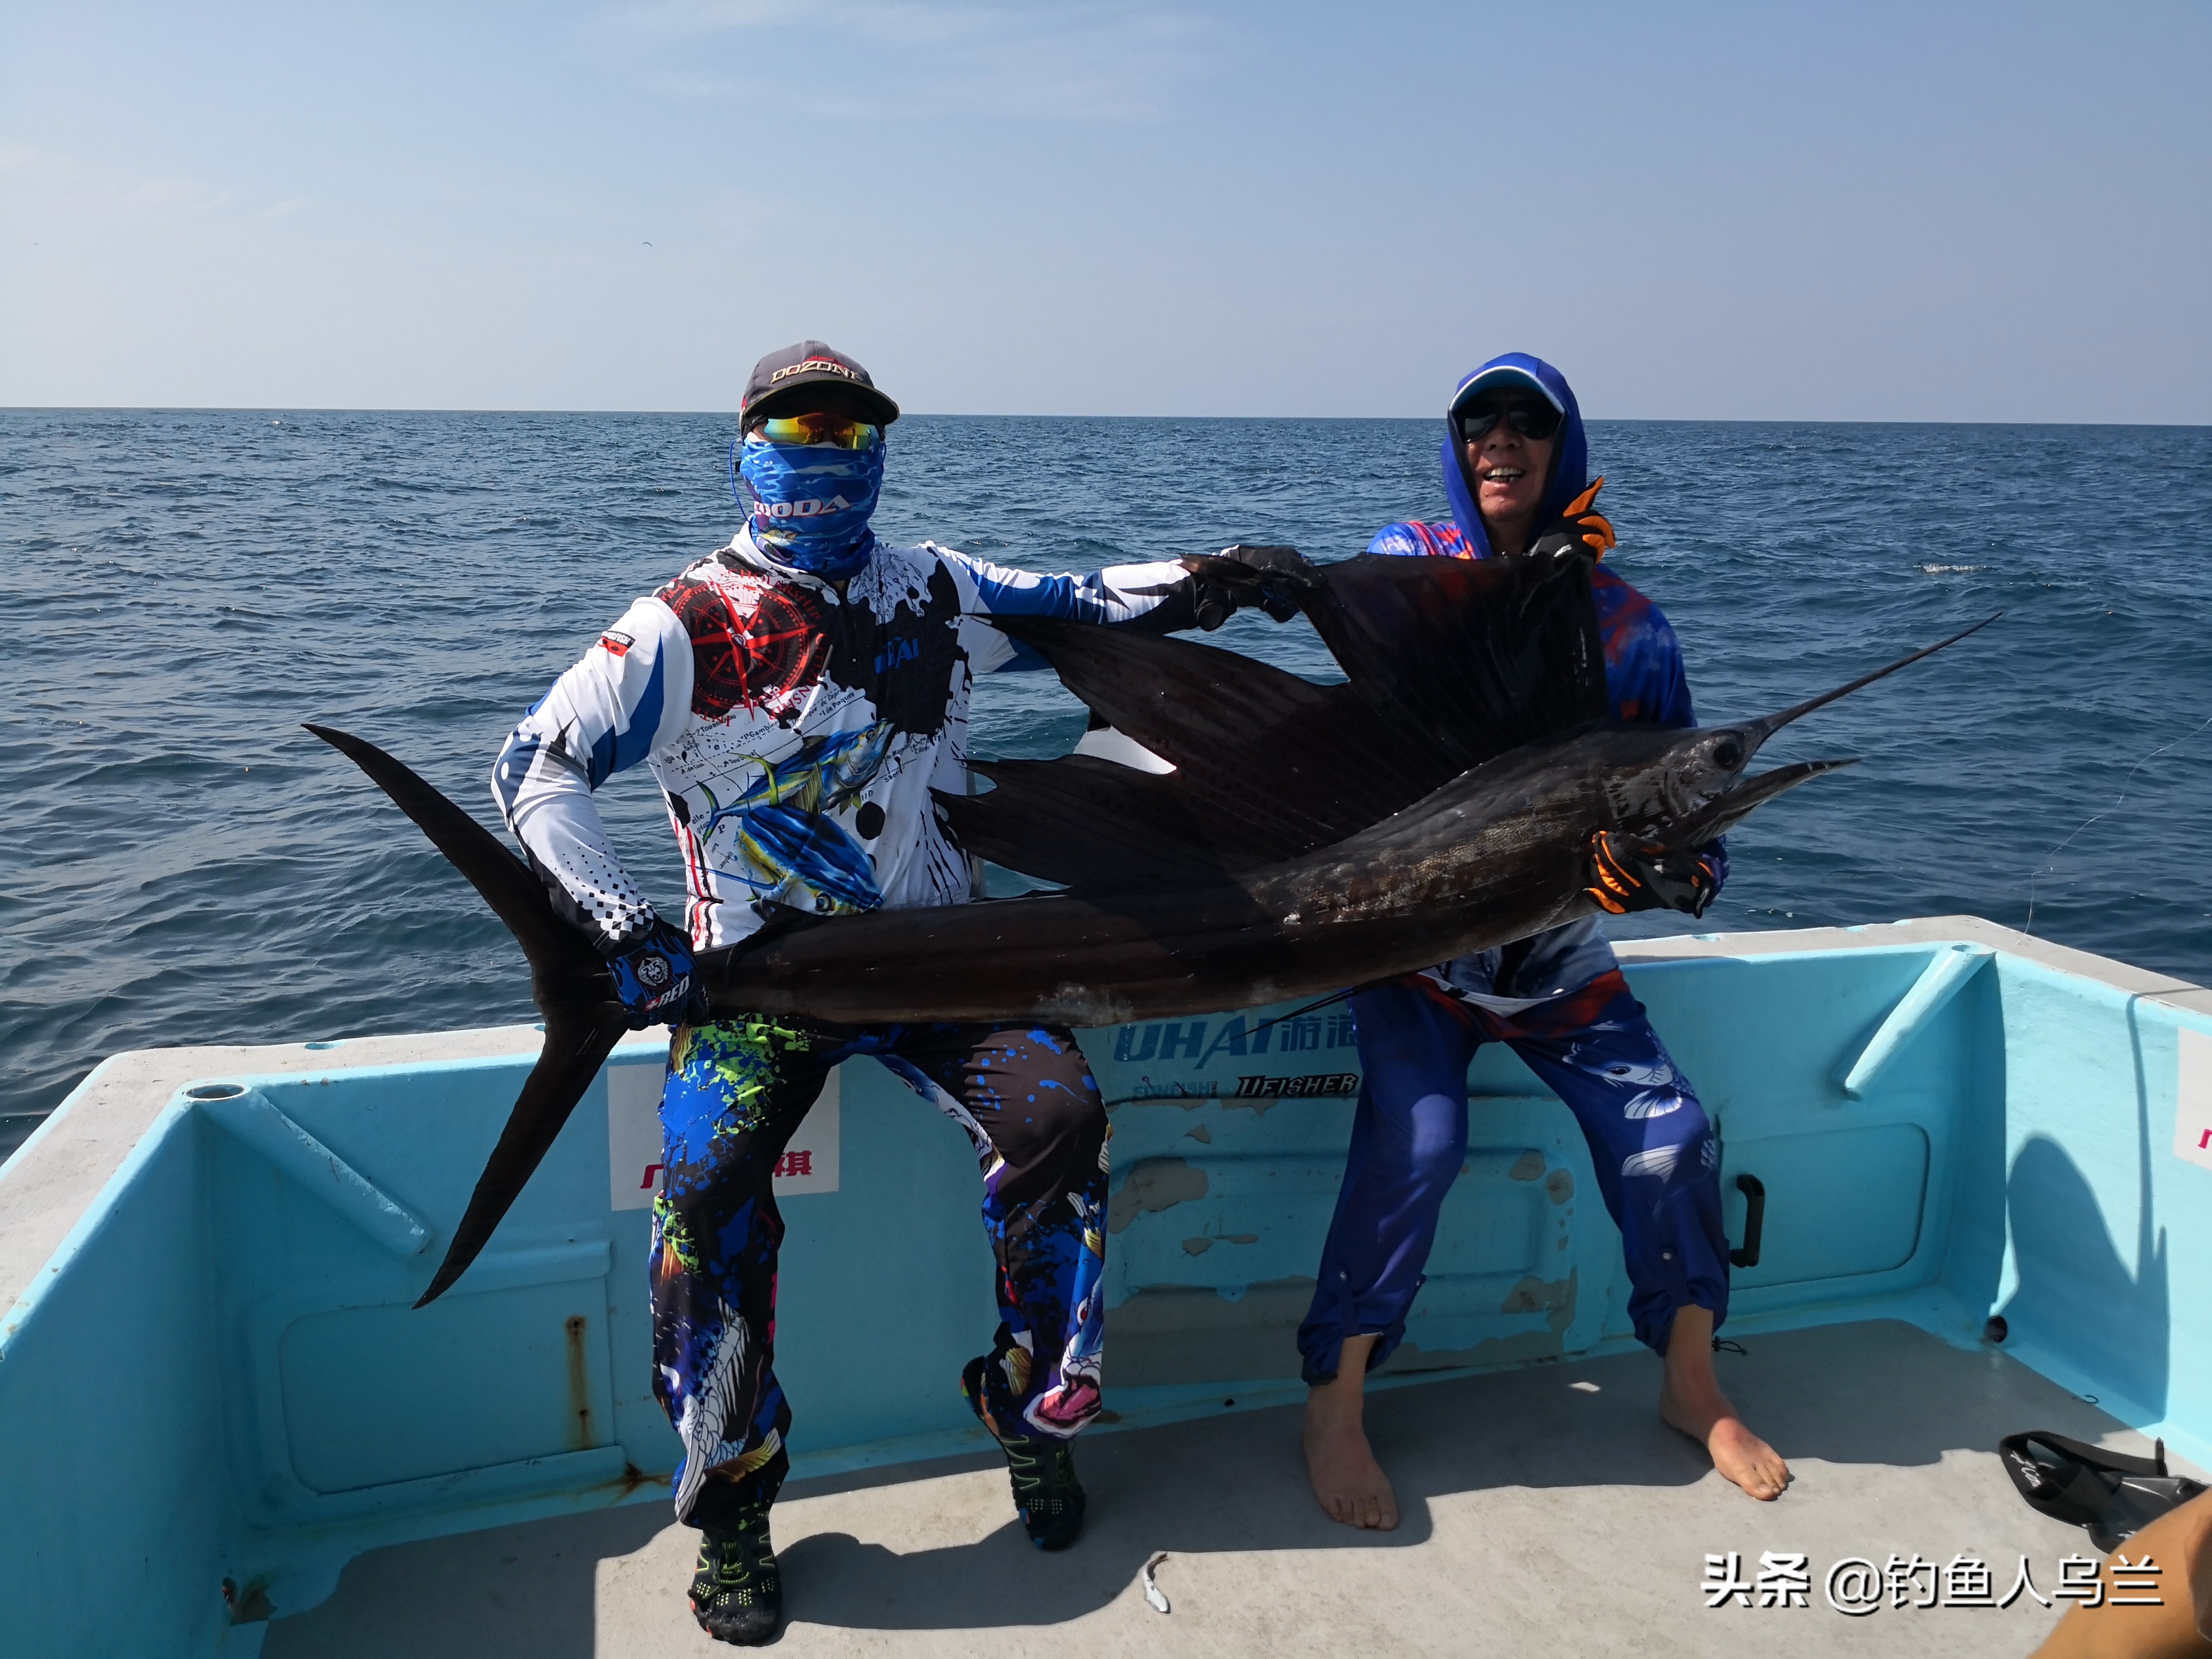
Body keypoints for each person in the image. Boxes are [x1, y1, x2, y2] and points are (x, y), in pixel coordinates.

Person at [491, 342, 1307, 1643]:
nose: (826, 445)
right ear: (746, 440)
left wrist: (1217, 579)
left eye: (853, 424)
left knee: (1063, 1125)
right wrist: (624, 924)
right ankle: (736, 1507)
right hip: (760, 987)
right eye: (796, 421)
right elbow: (533, 769)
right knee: (697, 1198)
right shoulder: (681, 622)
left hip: (946, 964)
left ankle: (1035, 1414)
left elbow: (1090, 603)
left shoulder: (936, 583)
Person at [1297, 351, 1790, 1530]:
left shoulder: (1630, 624)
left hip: (1557, 957)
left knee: (1668, 1137)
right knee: (1417, 1143)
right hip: (1415, 950)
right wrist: (1512, 600)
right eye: (1480, 422)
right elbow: (1376, 651)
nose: (1500, 441)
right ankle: (1335, 1400)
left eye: (1528, 422)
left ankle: (1691, 1383)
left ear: (1563, 445)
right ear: (1457, 444)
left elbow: (1691, 816)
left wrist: (1664, 878)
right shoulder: (1410, 562)